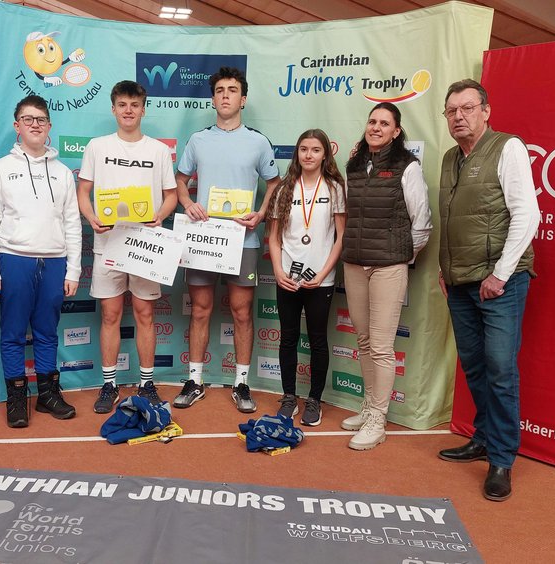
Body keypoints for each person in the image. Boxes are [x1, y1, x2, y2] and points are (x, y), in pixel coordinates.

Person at [436, 79, 541, 502]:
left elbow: (527, 214)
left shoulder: (507, 147)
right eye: (451, 111)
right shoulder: (450, 158)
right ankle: (483, 437)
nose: (458, 117)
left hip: (500, 283)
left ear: (485, 111)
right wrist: (445, 269)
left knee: (500, 370)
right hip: (459, 282)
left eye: (467, 108)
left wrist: (500, 273)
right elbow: (454, 218)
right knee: (475, 367)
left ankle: (501, 459)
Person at [173, 66, 280, 413]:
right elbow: (180, 179)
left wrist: (261, 213)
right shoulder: (198, 140)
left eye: (232, 90)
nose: (225, 96)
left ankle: (241, 383)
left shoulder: (258, 142)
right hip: (204, 240)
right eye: (219, 90)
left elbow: (274, 184)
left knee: (242, 312)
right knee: (200, 309)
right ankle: (195, 381)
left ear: (243, 99)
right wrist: (187, 203)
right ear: (212, 99)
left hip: (243, 240)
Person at [77, 80, 177, 414]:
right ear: (113, 109)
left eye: (134, 105)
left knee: (145, 314)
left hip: (145, 245)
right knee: (110, 314)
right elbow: (83, 192)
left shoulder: (158, 151)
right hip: (108, 243)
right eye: (122, 105)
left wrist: (160, 216)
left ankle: (147, 383)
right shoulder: (97, 146)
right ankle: (109, 384)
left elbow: (171, 196)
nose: (128, 111)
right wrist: (92, 217)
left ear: (143, 110)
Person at [0, 95, 82, 428]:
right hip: (13, 260)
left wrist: (73, 269)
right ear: (17, 125)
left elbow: (72, 223)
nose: (35, 124)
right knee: (12, 332)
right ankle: (16, 399)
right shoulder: (1, 169)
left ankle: (48, 394)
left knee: (47, 332)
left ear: (49, 126)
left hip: (54, 262)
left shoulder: (63, 173)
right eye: (28, 119)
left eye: (41, 119)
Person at [339, 102, 433, 451]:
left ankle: (378, 419)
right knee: (364, 341)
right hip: (354, 263)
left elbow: (421, 222)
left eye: (384, 123)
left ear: (396, 131)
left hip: (388, 266)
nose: (376, 127)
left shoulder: (407, 166)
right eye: (372, 121)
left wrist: (402, 256)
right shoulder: (353, 164)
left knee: (380, 346)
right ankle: (369, 407)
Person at [268, 129, 346, 427]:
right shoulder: (285, 188)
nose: (309, 155)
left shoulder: (334, 188)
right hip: (287, 278)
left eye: (315, 150)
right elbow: (274, 237)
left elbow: (341, 237)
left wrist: (324, 274)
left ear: (325, 154)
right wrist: (278, 271)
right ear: (297, 154)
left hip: (319, 281)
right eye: (303, 149)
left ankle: (314, 400)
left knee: (317, 340)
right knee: (288, 338)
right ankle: (289, 396)